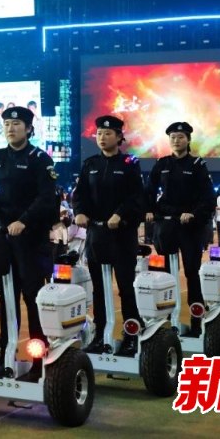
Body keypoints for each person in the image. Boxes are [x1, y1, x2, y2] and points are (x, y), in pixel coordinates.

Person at [0, 106, 58, 380]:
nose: (11, 128)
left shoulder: (39, 159)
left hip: (30, 237)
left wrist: (24, 221)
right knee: (7, 296)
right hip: (1, 235)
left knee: (32, 296)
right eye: (7, 124)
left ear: (28, 129)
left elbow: (46, 198)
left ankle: (39, 359)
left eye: (17, 124)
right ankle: (6, 355)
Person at [73, 115, 145, 356]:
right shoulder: (90, 164)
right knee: (99, 289)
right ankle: (100, 335)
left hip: (122, 235)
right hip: (97, 235)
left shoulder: (129, 162)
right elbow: (80, 194)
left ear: (119, 137)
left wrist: (120, 214)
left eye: (108, 134)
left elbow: (136, 196)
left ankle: (131, 335)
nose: (102, 138)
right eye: (99, 134)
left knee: (125, 287)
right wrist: (80, 211)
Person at [145, 122, 216, 337]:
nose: (176, 141)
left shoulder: (197, 164)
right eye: (173, 137)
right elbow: (149, 190)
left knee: (192, 272)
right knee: (166, 275)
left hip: (189, 226)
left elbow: (207, 196)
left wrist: (193, 214)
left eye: (180, 137)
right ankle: (166, 318)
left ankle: (196, 320)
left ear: (188, 140)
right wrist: (149, 210)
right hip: (166, 225)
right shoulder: (162, 164)